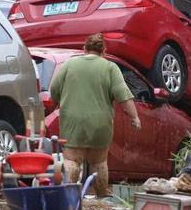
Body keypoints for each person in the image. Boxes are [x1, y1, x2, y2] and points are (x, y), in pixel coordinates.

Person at [49, 33, 139, 196]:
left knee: (71, 160)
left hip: (72, 122)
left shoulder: (69, 64)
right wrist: (135, 117)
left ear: (84, 49)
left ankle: (68, 198)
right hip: (100, 123)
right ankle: (101, 197)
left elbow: (54, 90)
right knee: (99, 162)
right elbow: (123, 95)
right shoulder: (110, 68)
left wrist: (55, 103)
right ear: (103, 51)